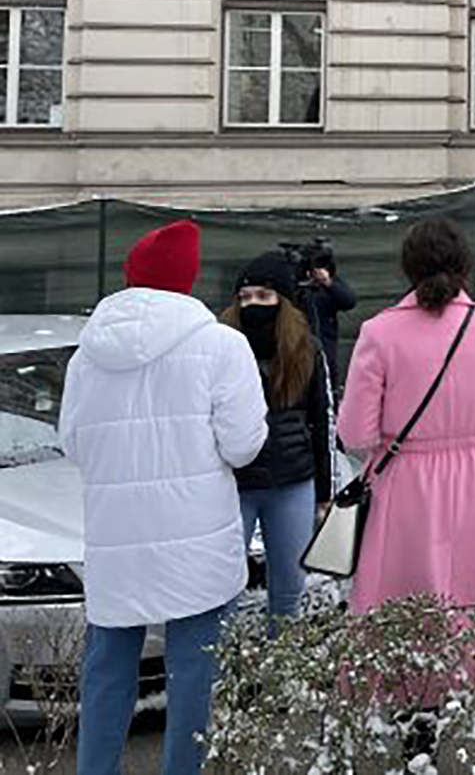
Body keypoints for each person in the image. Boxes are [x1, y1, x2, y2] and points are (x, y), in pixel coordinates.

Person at [59, 220, 268, 775]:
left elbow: (73, 444)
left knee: (107, 669)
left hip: (115, 536)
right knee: (194, 672)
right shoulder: (223, 345)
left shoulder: (87, 354)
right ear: (188, 280)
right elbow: (244, 446)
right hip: (195, 539)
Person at [338, 218, 475, 616]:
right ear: (465, 264)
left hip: (406, 479)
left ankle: (410, 677)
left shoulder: (379, 332)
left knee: (405, 592)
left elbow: (354, 432)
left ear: (408, 267)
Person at [222, 252, 333, 627]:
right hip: (234, 482)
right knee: (223, 587)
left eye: (264, 296)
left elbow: (323, 419)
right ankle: (227, 673)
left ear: (282, 302)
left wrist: (324, 490)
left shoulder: (306, 349)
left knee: (289, 586)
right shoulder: (221, 348)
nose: (252, 304)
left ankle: (278, 670)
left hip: (292, 480)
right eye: (246, 297)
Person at [295, 249, 358, 396]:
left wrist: (327, 282)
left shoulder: (330, 284)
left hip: (326, 345)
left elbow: (349, 301)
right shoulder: (296, 285)